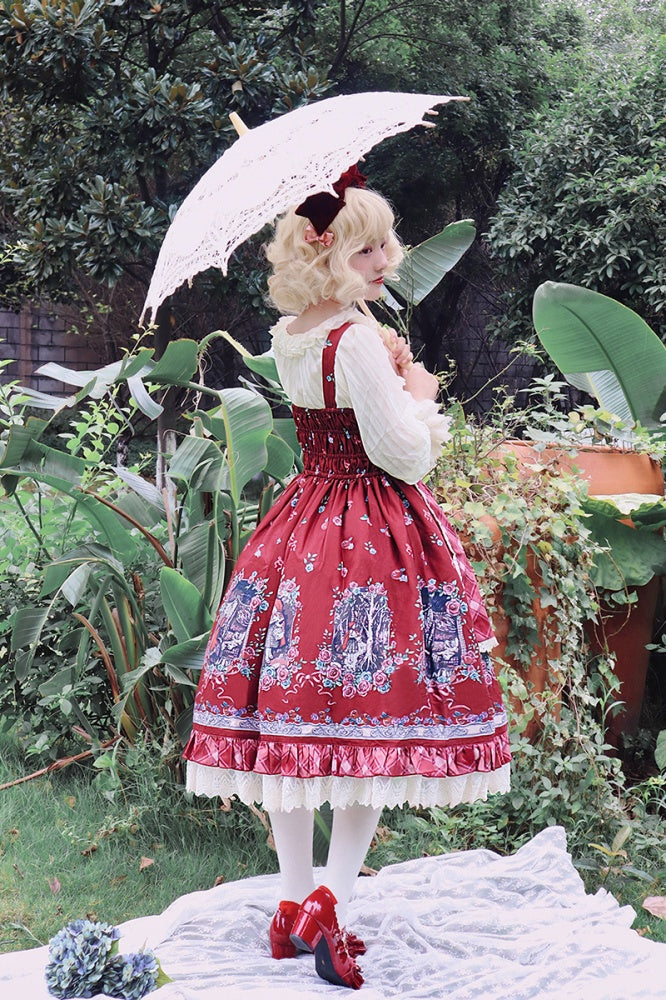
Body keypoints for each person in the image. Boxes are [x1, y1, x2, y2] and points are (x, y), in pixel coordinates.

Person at [183, 167, 511, 990]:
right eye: (367, 248)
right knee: (370, 719)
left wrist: (387, 373)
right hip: (371, 536)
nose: (387, 259)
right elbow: (402, 452)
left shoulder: (295, 330)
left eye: (387, 244)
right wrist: (419, 390)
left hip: (302, 527)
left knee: (297, 721)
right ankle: (330, 897)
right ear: (326, 254)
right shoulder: (356, 337)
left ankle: (294, 906)